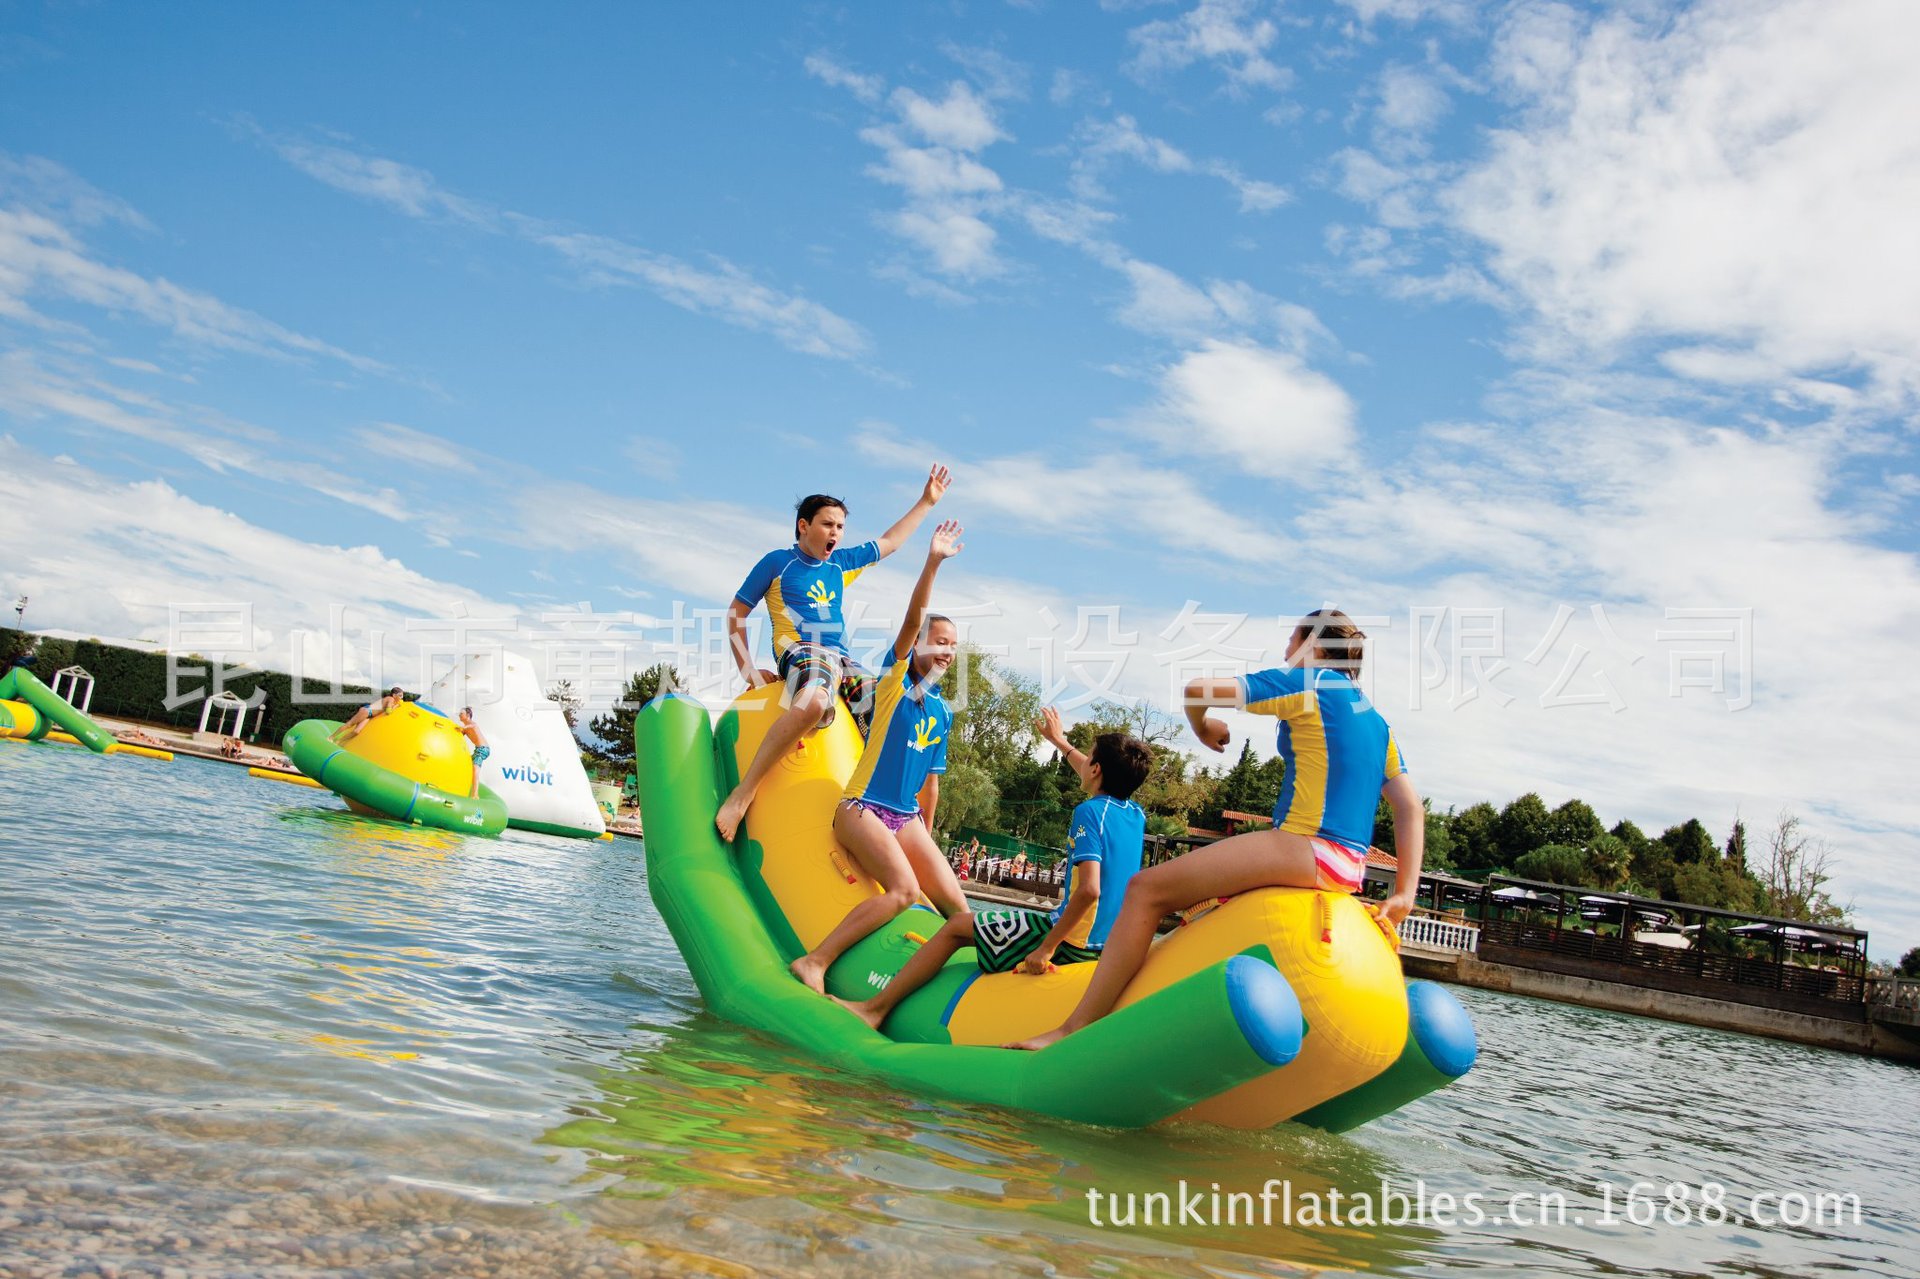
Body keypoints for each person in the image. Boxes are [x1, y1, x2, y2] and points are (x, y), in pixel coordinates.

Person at [1007, 609, 1424, 1051]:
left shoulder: (1309, 683)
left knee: (1146, 890)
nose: (1285, 652)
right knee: (1201, 910)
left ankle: (1071, 1030)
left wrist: (1202, 727)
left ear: (1315, 648)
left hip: (1307, 847)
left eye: (1292, 641)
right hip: (1349, 868)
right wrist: (1404, 894)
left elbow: (1196, 690)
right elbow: (1410, 807)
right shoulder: (1378, 723)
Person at [835, 709, 1151, 1031]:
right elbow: (1099, 773)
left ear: (1096, 770)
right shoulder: (1135, 816)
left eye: (1089, 761)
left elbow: (1089, 890)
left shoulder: (1089, 812)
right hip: (1107, 945)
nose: (1082, 764)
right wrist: (1059, 741)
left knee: (956, 926)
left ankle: (875, 1009)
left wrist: (1047, 948)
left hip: (1071, 941)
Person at [715, 466, 952, 842]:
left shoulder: (840, 565)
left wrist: (926, 502)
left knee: (898, 712)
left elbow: (889, 543)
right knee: (813, 702)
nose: (835, 534)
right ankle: (744, 793)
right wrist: (748, 670)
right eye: (828, 525)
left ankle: (884, 814)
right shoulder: (778, 564)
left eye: (840, 527)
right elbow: (736, 613)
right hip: (804, 651)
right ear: (803, 526)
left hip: (844, 660)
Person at [788, 520, 968, 994]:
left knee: (962, 911)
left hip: (905, 818)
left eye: (953, 645)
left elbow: (931, 785)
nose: (947, 651)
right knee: (905, 891)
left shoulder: (942, 712)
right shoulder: (893, 684)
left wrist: (924, 840)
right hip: (861, 808)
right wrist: (932, 562)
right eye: (939, 641)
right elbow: (914, 619)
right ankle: (815, 961)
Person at [334, 686, 405, 742]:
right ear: (394, 695)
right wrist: (397, 706)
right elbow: (388, 712)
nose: (402, 697)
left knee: (356, 731)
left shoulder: (392, 701)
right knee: (349, 724)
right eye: (400, 695)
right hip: (367, 711)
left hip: (369, 715)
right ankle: (331, 737)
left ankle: (339, 741)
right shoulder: (391, 699)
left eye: (402, 696)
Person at [458, 707, 490, 799]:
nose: (459, 715)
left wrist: (461, 728)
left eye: (461, 713)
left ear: (468, 715)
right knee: (468, 767)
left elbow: (469, 727)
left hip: (483, 749)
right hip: (477, 750)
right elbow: (460, 733)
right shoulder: (465, 728)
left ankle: (475, 794)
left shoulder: (472, 724)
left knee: (475, 769)